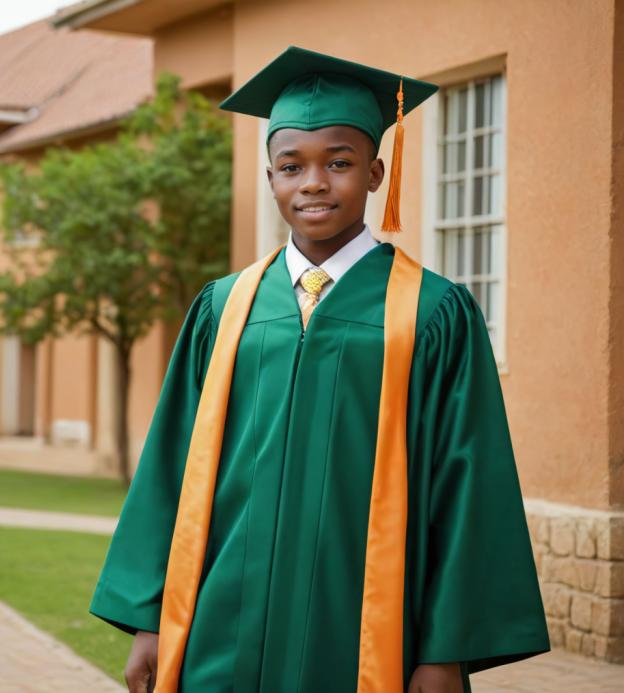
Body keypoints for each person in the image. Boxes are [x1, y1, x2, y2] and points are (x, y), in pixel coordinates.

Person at [89, 46, 549, 693]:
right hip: (223, 626)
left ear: (376, 172)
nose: (313, 182)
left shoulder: (433, 311)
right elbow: (172, 468)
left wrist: (446, 651)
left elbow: (468, 487)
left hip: (366, 633)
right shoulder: (225, 308)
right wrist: (149, 617)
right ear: (271, 177)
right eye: (291, 165)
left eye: (339, 162)